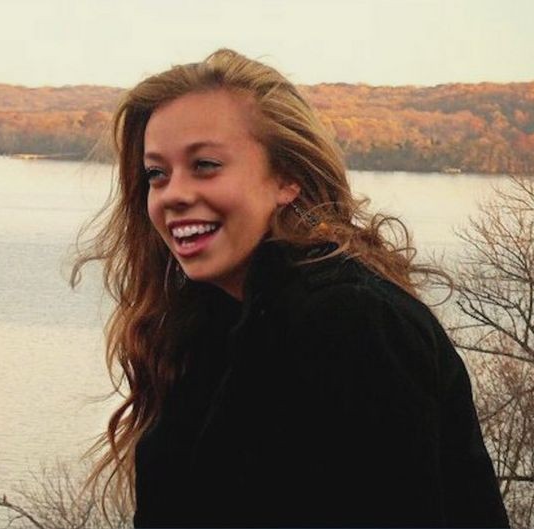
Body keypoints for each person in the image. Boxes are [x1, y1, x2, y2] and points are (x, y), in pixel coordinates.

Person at [71, 49, 510, 528]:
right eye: (157, 174)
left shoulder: (353, 323)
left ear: (287, 178)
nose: (172, 194)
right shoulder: (209, 332)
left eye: (205, 164)